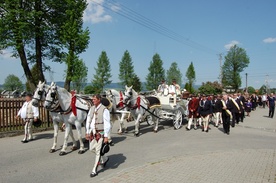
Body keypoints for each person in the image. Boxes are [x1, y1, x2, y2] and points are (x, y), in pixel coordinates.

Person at [86, 94, 111, 177]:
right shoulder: (92, 109)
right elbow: (89, 121)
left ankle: (94, 170)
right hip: (92, 132)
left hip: (101, 132)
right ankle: (105, 158)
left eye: (94, 99)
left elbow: (107, 123)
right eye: (92, 99)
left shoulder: (104, 110)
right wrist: (87, 131)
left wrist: (106, 136)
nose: (93, 101)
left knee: (97, 151)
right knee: (91, 149)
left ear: (99, 100)